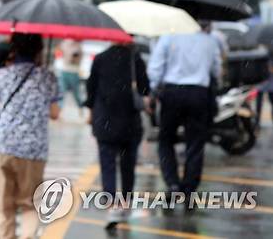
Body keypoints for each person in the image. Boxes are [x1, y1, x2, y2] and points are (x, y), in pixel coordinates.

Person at [0, 33, 60, 239]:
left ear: (14, 49)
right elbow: (55, 113)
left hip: (2, 145)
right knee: (29, 204)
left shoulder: (3, 74)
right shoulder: (48, 77)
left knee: (5, 204)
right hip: (33, 149)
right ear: (39, 50)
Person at [147, 22, 222, 200]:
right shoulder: (210, 41)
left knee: (166, 140)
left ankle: (172, 183)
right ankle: (189, 189)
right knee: (195, 143)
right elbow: (216, 70)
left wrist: (152, 90)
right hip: (199, 93)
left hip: (172, 93)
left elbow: (155, 68)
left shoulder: (169, 37)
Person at [85, 42, 150, 227]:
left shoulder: (100, 58)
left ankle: (112, 206)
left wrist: (91, 113)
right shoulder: (135, 59)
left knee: (107, 165)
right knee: (128, 164)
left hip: (105, 120)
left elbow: (91, 89)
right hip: (129, 121)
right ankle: (126, 203)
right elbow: (145, 89)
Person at [57, 39, 84, 117]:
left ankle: (80, 109)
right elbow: (59, 52)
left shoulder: (78, 46)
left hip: (73, 72)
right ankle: (59, 111)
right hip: (64, 71)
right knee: (62, 92)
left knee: (76, 94)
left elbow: (76, 59)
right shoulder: (65, 43)